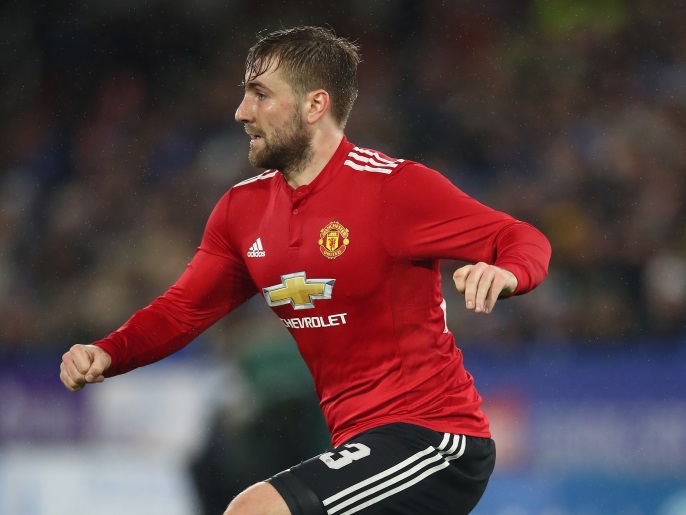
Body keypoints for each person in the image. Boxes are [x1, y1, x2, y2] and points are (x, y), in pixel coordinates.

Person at [60, 26, 551, 515]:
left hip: (435, 437)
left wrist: (507, 273)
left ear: (315, 106)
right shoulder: (241, 210)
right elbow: (183, 309)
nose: (241, 112)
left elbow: (521, 239)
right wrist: (109, 351)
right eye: (244, 94)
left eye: (260, 94)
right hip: (355, 442)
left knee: (257, 511)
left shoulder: (394, 190)